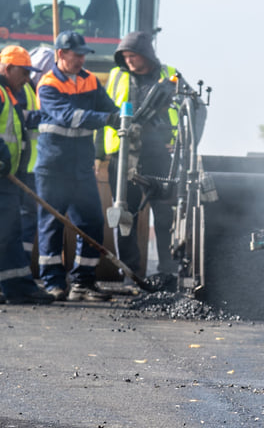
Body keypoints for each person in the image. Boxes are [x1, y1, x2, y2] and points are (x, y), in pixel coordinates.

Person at [35, 30, 120, 302]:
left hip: (81, 168)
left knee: (92, 223)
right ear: (61, 54)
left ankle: (83, 283)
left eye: (84, 54)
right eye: (78, 54)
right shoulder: (48, 85)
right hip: (53, 167)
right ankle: (53, 283)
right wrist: (106, 118)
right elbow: (70, 117)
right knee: (52, 225)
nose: (82, 59)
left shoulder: (91, 81)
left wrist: (123, 117)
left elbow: (111, 110)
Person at [101, 31, 180, 285]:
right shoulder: (116, 76)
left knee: (166, 214)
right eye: (125, 56)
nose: (129, 61)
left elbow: (192, 112)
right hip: (124, 156)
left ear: (145, 54)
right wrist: (99, 154)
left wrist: (180, 143)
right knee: (125, 215)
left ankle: (169, 271)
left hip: (160, 156)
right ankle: (131, 274)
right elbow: (104, 113)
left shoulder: (170, 75)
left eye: (132, 55)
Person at [0, 45, 55, 303]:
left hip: (8, 177)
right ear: (8, 68)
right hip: (2, 176)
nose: (28, 78)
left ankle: (18, 287)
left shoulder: (9, 94)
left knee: (9, 232)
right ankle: (18, 288)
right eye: (24, 73)